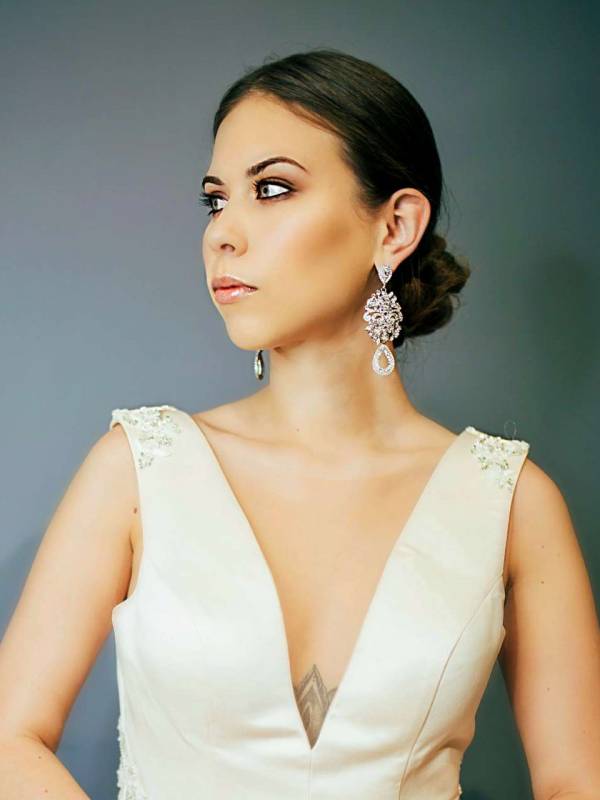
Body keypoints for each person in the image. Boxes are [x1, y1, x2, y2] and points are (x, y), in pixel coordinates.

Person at [1, 48, 599, 800]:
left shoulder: (512, 501)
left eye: (272, 189)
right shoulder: (139, 469)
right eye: (216, 201)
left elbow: (577, 781)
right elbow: (9, 739)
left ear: (395, 227)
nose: (223, 234)